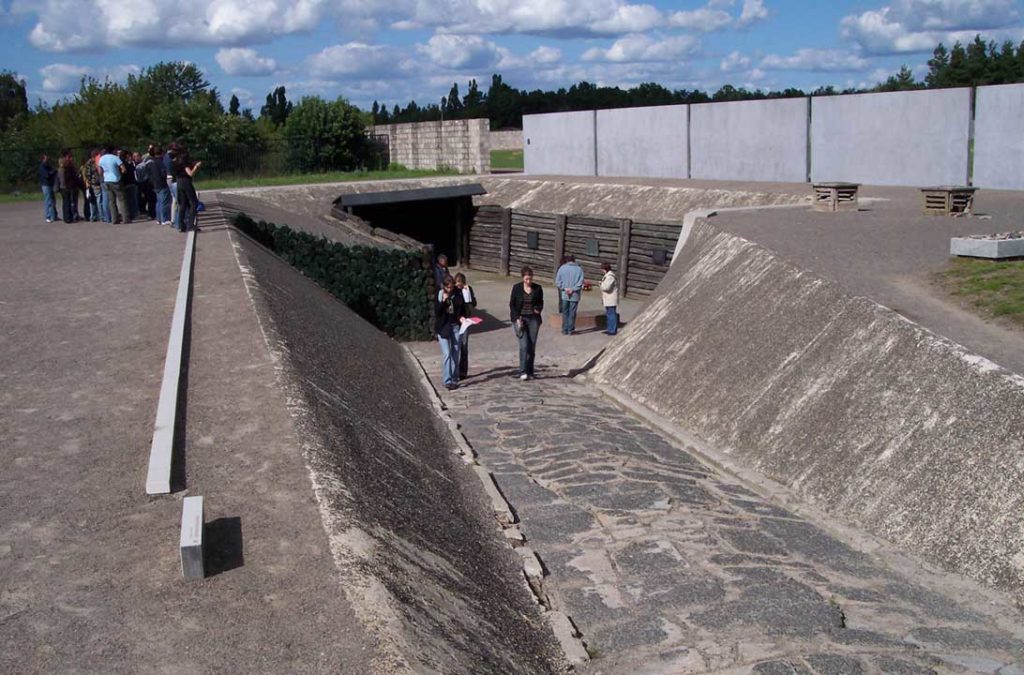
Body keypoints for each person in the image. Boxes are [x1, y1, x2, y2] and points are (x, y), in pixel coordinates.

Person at [509, 266, 544, 380]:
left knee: (531, 346)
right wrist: (517, 318)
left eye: (530, 279)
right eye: (526, 279)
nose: (528, 281)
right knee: (524, 345)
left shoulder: (538, 288)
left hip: (533, 319)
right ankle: (522, 371)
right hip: (521, 319)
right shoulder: (517, 288)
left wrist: (538, 308)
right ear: (523, 278)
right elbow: (512, 305)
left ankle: (530, 371)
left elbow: (540, 302)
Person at [435, 274, 466, 390]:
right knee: (447, 353)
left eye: (451, 287)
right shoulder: (440, 294)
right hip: (443, 327)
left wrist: (462, 317)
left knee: (455, 352)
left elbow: (461, 309)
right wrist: (443, 301)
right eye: (447, 287)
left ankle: (454, 378)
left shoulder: (458, 293)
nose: (449, 289)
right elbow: (437, 312)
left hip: (455, 326)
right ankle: (447, 380)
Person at [172, 146, 202, 232]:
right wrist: (196, 166)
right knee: (193, 202)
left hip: (178, 182)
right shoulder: (183, 162)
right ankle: (191, 225)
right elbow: (190, 173)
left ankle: (181, 225)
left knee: (183, 203)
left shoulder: (175, 161)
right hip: (186, 182)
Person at [454, 272, 477, 379]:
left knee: (464, 346)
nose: (459, 286)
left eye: (461, 284)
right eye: (457, 284)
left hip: (466, 321)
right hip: (455, 321)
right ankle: (454, 371)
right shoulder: (453, 291)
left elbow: (473, 303)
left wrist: (468, 295)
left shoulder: (468, 289)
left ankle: (463, 371)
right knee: (455, 347)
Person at [555, 255, 584, 335]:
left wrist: (565, 288)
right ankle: (570, 329)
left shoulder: (562, 268)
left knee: (565, 312)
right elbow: (580, 282)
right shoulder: (579, 269)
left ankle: (564, 329)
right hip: (575, 295)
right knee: (572, 312)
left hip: (564, 294)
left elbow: (558, 281)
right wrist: (573, 289)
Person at [98, 145, 128, 224]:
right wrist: (120, 174)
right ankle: (125, 218)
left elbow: (100, 171)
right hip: (116, 179)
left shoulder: (101, 159)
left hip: (107, 180)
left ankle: (114, 219)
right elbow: (123, 169)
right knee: (122, 200)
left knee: (111, 201)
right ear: (113, 150)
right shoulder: (115, 158)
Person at [149, 145, 171, 226]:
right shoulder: (160, 162)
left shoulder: (152, 162)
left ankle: (158, 219)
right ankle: (164, 219)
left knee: (158, 202)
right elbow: (163, 173)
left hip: (155, 184)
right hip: (161, 184)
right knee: (164, 202)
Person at [56, 149, 77, 223]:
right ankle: (68, 218)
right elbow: (63, 178)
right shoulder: (64, 167)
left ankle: (68, 217)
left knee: (67, 202)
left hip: (66, 186)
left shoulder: (64, 166)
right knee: (67, 202)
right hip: (65, 186)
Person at [600, 262, 619, 336]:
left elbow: (606, 287)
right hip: (608, 298)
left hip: (611, 299)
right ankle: (609, 329)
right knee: (609, 314)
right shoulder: (607, 276)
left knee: (611, 314)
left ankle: (612, 330)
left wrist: (600, 284)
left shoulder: (610, 277)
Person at [80, 151, 100, 221]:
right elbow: (88, 175)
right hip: (92, 184)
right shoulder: (89, 164)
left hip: (94, 183)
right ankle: (94, 216)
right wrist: (88, 184)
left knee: (94, 200)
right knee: (94, 201)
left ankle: (94, 215)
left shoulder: (92, 163)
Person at [38, 154, 57, 223]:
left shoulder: (48, 166)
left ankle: (54, 215)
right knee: (48, 200)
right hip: (45, 185)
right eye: (46, 158)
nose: (47, 159)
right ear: (43, 159)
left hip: (51, 184)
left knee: (53, 201)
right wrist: (52, 172)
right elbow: (47, 175)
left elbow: (53, 171)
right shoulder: (42, 167)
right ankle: (48, 216)